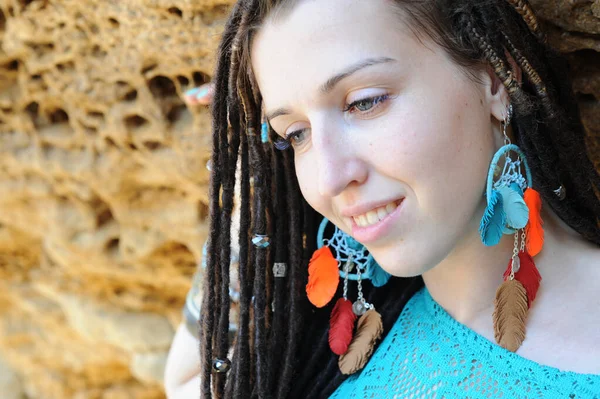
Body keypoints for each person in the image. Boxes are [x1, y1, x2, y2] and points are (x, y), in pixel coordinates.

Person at [200, 0, 600, 398]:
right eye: (296, 134)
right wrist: (251, 212)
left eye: (365, 101)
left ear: (494, 79)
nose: (329, 179)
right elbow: (187, 383)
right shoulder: (338, 339)